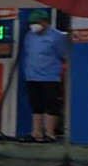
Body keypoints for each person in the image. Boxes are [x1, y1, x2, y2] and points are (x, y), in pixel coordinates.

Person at [21, 9, 67, 143]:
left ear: (45, 22)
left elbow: (63, 54)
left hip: (50, 76)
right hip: (31, 75)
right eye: (32, 22)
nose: (34, 25)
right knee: (36, 104)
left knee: (51, 103)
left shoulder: (56, 36)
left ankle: (50, 132)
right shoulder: (30, 35)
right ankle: (35, 132)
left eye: (37, 22)